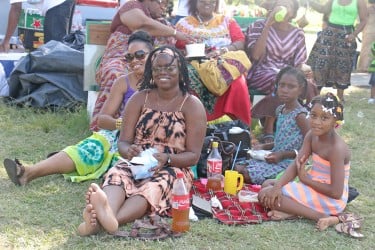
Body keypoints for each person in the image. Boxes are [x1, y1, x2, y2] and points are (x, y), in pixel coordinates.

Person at [77, 45, 207, 236]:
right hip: (137, 161)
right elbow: (123, 142)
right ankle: (106, 212)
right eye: (157, 69)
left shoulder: (192, 105)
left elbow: (193, 156)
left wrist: (166, 159)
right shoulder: (139, 99)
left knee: (153, 186)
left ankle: (103, 223)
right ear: (151, 72)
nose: (163, 73)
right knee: (118, 173)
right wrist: (128, 150)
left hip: (173, 167)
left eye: (169, 68)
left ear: (180, 71)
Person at [3, 31, 154, 185]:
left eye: (140, 54)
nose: (134, 60)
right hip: (120, 136)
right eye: (129, 57)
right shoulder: (123, 82)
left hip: (150, 139)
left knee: (130, 166)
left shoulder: (163, 81)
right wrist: (121, 123)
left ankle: (65, 164)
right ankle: (27, 172)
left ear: (153, 55)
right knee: (91, 149)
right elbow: (102, 120)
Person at [258, 92, 356, 234]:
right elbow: (297, 163)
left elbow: (336, 192)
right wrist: (278, 186)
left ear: (336, 121)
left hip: (330, 199)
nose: (316, 122)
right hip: (313, 186)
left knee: (264, 195)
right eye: (314, 115)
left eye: (324, 118)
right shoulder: (311, 135)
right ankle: (293, 212)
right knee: (269, 185)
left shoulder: (336, 148)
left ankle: (322, 217)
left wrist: (305, 179)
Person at [91, 0, 194, 131]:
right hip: (120, 58)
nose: (163, 7)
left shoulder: (163, 23)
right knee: (115, 73)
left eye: (166, 4)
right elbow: (141, 23)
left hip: (151, 63)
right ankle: (111, 126)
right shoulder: (132, 6)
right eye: (160, 2)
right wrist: (174, 33)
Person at [175, 0, 252, 125]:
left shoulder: (227, 21)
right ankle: (197, 124)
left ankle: (238, 126)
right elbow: (177, 48)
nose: (207, 3)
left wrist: (222, 50)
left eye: (211, 1)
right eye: (202, 1)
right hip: (194, 65)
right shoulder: (183, 24)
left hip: (223, 63)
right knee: (189, 77)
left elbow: (240, 42)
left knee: (238, 82)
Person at [245, 0, 307, 143]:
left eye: (288, 5)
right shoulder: (258, 26)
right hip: (261, 71)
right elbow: (255, 55)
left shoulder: (298, 33)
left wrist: (304, 72)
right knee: (279, 80)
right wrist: (268, 25)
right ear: (272, 8)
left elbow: (299, 64)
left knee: (305, 83)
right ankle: (268, 128)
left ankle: (300, 125)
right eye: (280, 4)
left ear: (293, 12)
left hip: (288, 73)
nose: (284, 8)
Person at [235, 66, 310, 185]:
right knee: (236, 168)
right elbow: (282, 141)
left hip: (290, 163)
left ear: (300, 90)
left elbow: (310, 148)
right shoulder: (280, 110)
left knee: (245, 175)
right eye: (282, 85)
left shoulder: (300, 116)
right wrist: (263, 147)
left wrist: (283, 155)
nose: (285, 90)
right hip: (275, 158)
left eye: (291, 87)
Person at [307, 0, 368, 103]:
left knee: (342, 65)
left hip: (346, 35)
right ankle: (316, 94)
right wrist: (310, 2)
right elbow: (324, 9)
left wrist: (354, 34)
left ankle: (340, 97)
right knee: (321, 64)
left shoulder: (359, 1)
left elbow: (364, 20)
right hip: (329, 33)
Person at [0, 0, 76, 52]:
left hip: (57, 2)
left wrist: (6, 41)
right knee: (60, 45)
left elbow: (16, 9)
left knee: (53, 49)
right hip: (63, 2)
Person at [357, 0, 375, 72]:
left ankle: (364, 67)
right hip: (368, 30)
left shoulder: (366, 8)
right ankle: (364, 67)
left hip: (367, 30)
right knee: (367, 49)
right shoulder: (367, 9)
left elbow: (361, 19)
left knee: (366, 49)